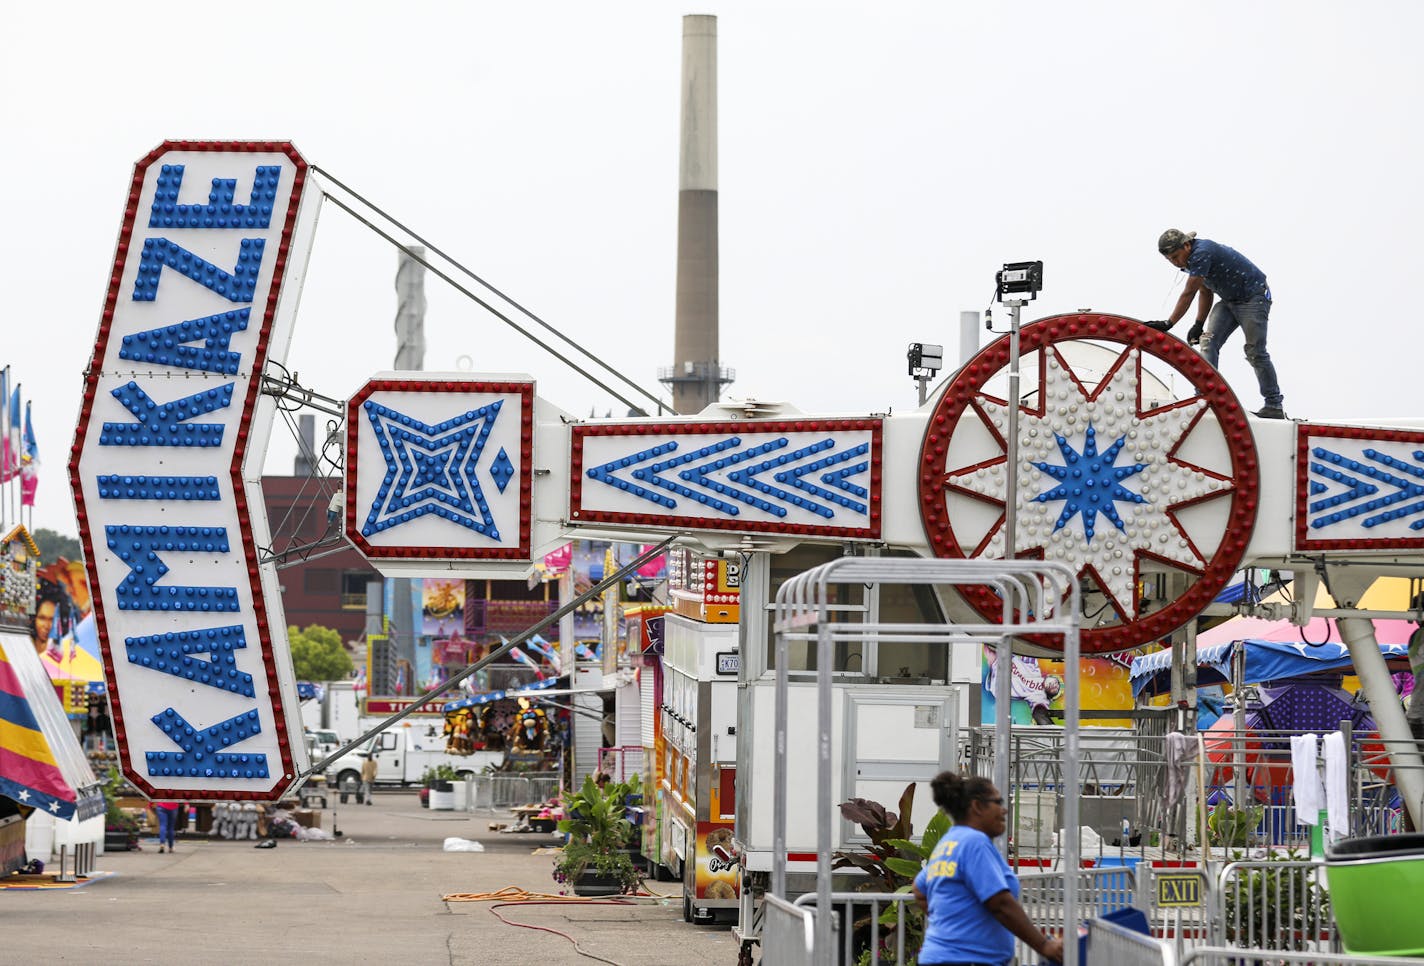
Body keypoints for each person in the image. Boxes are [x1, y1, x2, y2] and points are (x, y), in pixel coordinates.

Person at [913, 772, 1063, 966]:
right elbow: (1000, 903)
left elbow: (919, 888)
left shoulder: (950, 842)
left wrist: (950, 924)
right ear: (977, 806)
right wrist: (1044, 946)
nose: (1004, 810)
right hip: (966, 960)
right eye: (998, 802)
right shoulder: (974, 842)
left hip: (943, 958)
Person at [1146, 229, 1285, 419]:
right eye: (1170, 260)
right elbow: (1205, 291)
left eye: (1176, 256)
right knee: (1208, 342)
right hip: (1229, 301)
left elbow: (1189, 293)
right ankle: (1204, 397)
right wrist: (1198, 323)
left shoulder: (1201, 253)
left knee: (1255, 352)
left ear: (1187, 245)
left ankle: (1274, 405)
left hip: (1253, 298)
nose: (1175, 262)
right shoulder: (1189, 261)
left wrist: (1169, 323)